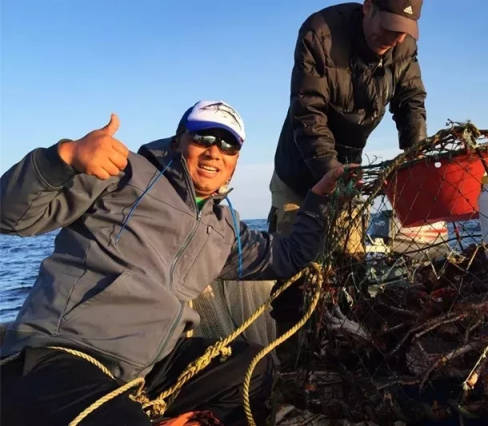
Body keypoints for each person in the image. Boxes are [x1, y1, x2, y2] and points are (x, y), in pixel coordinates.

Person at [0, 100, 343, 426]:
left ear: (236, 159)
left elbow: (289, 256)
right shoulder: (121, 173)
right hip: (63, 354)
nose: (214, 151)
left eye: (228, 145)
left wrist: (317, 200)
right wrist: (63, 157)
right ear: (180, 140)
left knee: (254, 370)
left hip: (145, 371)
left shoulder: (223, 228)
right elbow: (11, 217)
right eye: (203, 136)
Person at [269, 0, 427, 353]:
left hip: (350, 168)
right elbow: (308, 112)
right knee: (296, 270)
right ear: (367, 7)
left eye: (404, 31)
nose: (394, 37)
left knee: (348, 268)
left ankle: (337, 353)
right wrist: (329, 173)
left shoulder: (403, 45)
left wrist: (414, 154)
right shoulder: (320, 32)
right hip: (300, 168)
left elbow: (411, 100)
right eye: (387, 25)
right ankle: (290, 362)